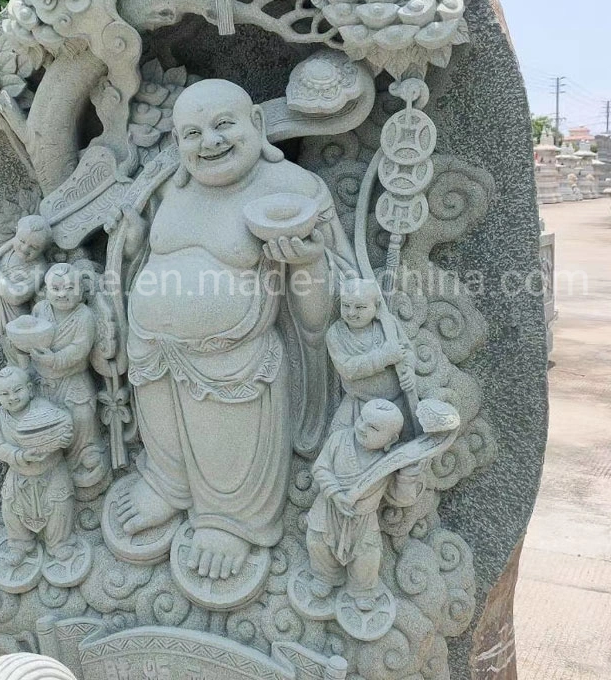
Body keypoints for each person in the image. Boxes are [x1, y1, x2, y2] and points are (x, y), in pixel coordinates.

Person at [108, 79, 356, 581]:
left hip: (234, 359)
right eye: (192, 133)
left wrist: (307, 263)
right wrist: (133, 245)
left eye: (224, 125)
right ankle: (167, 483)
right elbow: (153, 262)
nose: (210, 142)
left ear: (257, 126)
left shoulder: (294, 192)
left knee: (223, 433)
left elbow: (326, 312)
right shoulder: (171, 189)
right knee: (164, 430)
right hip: (154, 352)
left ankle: (231, 519)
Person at [305, 399, 423, 609]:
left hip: (363, 517)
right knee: (317, 541)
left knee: (368, 555)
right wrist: (335, 492)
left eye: (373, 428)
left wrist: (407, 477)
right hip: (329, 506)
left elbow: (401, 499)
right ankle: (325, 576)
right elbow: (320, 469)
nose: (362, 428)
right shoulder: (339, 440)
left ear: (391, 439)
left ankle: (362, 589)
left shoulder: (389, 462)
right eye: (361, 419)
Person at [29, 263, 110, 496]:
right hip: (44, 380)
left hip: (74, 379)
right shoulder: (40, 310)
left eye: (70, 287)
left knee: (82, 417)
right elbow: (29, 334)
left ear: (81, 290)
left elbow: (79, 349)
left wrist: (55, 360)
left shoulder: (84, 316)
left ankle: (86, 455)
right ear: (46, 290)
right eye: (56, 288)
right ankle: (54, 463)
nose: (63, 294)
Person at [0, 366, 76, 565]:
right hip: (19, 474)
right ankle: (20, 544)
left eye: (17, 390)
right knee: (10, 507)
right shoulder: (0, 418)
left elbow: (64, 425)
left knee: (59, 504)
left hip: (52, 469)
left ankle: (58, 543)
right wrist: (20, 455)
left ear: (30, 389)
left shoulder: (43, 408)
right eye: (5, 394)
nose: (12, 397)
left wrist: (62, 438)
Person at [326, 277, 416, 434]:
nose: (351, 312)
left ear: (377, 306)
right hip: (358, 404)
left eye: (360, 307)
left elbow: (406, 350)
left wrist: (408, 370)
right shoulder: (335, 334)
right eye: (346, 305)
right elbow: (348, 369)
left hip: (395, 402)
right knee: (337, 439)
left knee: (401, 442)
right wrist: (382, 357)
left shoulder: (388, 325)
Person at [0, 216, 51, 363]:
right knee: (7, 346)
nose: (25, 249)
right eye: (22, 241)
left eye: (34, 247)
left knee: (22, 352)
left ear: (43, 249)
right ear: (16, 233)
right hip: (0, 310)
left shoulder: (39, 267)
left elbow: (16, 296)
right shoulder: (12, 246)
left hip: (18, 317)